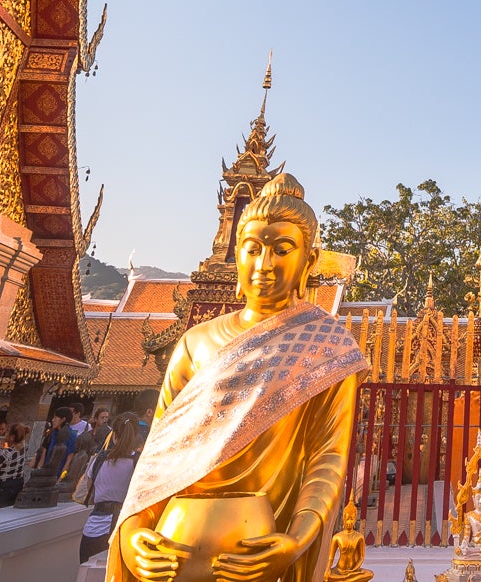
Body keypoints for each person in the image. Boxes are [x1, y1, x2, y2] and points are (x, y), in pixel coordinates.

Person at [107, 169, 367, 582]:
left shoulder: (326, 345)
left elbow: (327, 457)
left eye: (282, 249)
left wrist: (298, 537)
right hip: (170, 545)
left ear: (309, 260)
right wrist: (134, 531)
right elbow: (157, 455)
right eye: (252, 248)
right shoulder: (195, 343)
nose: (264, 264)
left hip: (258, 545)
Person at [80, 414, 143, 562]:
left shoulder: (99, 459)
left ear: (113, 435)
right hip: (122, 528)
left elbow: (90, 488)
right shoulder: (138, 462)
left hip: (93, 526)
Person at [0, 424, 30, 509]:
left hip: (4, 486)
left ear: (12, 437)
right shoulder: (24, 448)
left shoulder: (7, 453)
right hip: (18, 483)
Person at [37, 407, 77, 473]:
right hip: (45, 471)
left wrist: (59, 480)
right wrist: (39, 470)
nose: (53, 420)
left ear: (63, 419)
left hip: (57, 473)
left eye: (55, 418)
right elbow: (43, 454)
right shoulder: (51, 433)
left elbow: (69, 460)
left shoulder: (72, 437)